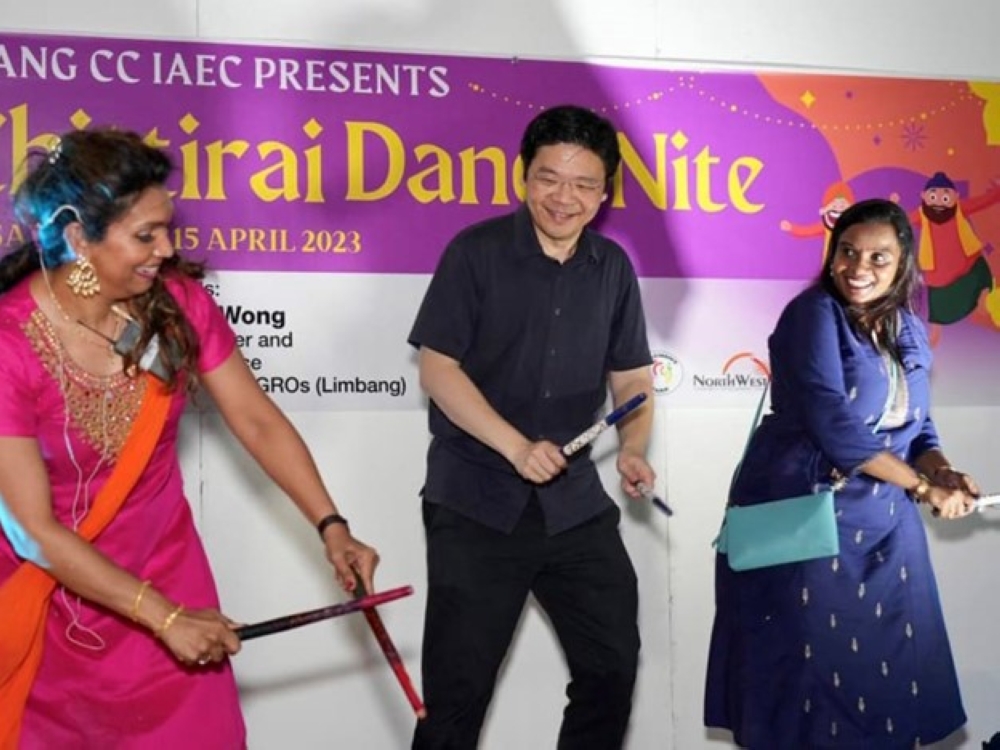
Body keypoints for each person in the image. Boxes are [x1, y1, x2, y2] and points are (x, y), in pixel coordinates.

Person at [0, 127, 380, 748]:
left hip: (171, 582)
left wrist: (331, 525)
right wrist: (161, 616)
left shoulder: (175, 303)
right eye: (145, 235)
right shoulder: (9, 344)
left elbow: (256, 419)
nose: (166, 249)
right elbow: (30, 530)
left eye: (167, 228)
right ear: (77, 239)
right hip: (51, 603)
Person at [407, 104, 655, 750]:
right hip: (477, 503)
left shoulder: (613, 270)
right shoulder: (476, 252)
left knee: (611, 670)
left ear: (605, 194)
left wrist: (633, 448)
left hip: (574, 508)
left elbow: (632, 381)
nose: (563, 198)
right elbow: (438, 369)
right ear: (523, 176)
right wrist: (516, 447)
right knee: (456, 699)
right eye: (549, 178)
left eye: (582, 185)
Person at [704, 198, 978, 749]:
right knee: (809, 694)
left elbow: (917, 427)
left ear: (903, 265)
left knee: (889, 681)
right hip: (807, 521)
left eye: (879, 257)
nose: (859, 268)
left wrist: (943, 472)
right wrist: (922, 487)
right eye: (847, 252)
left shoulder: (907, 328)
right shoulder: (813, 314)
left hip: (885, 529)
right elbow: (836, 425)